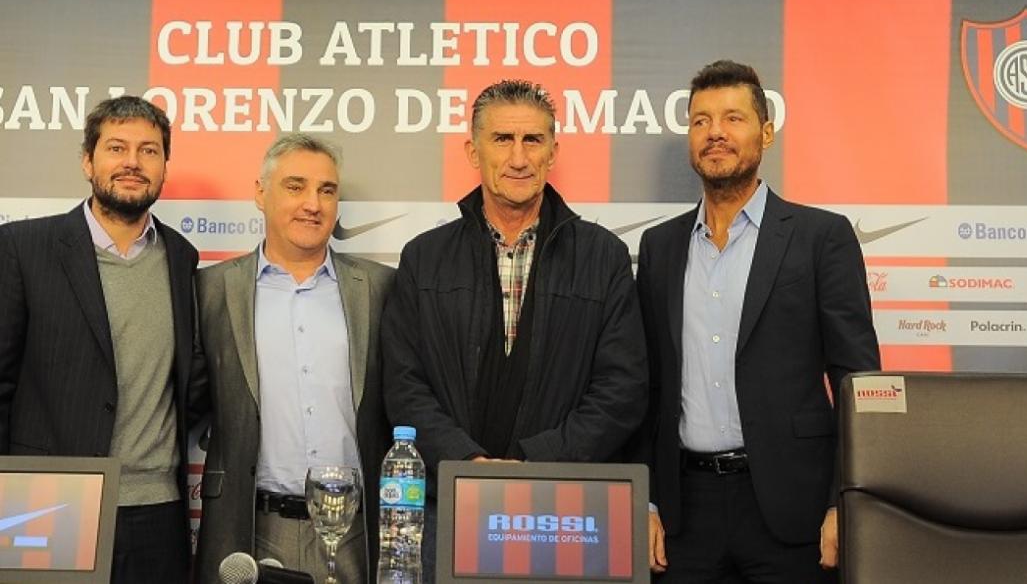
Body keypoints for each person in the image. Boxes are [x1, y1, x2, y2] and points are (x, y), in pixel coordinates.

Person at [382, 79, 648, 578]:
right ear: (472, 150)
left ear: (553, 151)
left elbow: (622, 389)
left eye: (533, 141)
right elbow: (403, 384)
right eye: (503, 139)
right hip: (449, 508)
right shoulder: (424, 257)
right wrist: (467, 464)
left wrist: (537, 465)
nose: (519, 158)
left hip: (563, 512)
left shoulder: (603, 257)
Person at [637, 60, 881, 583]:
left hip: (793, 511)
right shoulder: (659, 247)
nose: (715, 133)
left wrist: (845, 500)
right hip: (685, 514)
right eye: (700, 121)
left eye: (733, 118)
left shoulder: (821, 238)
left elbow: (856, 380)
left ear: (766, 131)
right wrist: (649, 502)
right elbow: (648, 386)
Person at [0, 95, 200, 584]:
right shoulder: (23, 248)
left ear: (164, 166)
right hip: (47, 500)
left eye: (149, 151)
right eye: (117, 147)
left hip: (157, 507)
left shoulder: (181, 256)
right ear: (89, 161)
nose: (133, 162)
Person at [193, 134, 393, 584]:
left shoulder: (381, 289)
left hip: (356, 534)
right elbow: (184, 400)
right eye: (296, 186)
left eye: (327, 190)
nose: (313, 204)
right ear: (261, 194)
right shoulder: (211, 290)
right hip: (252, 529)